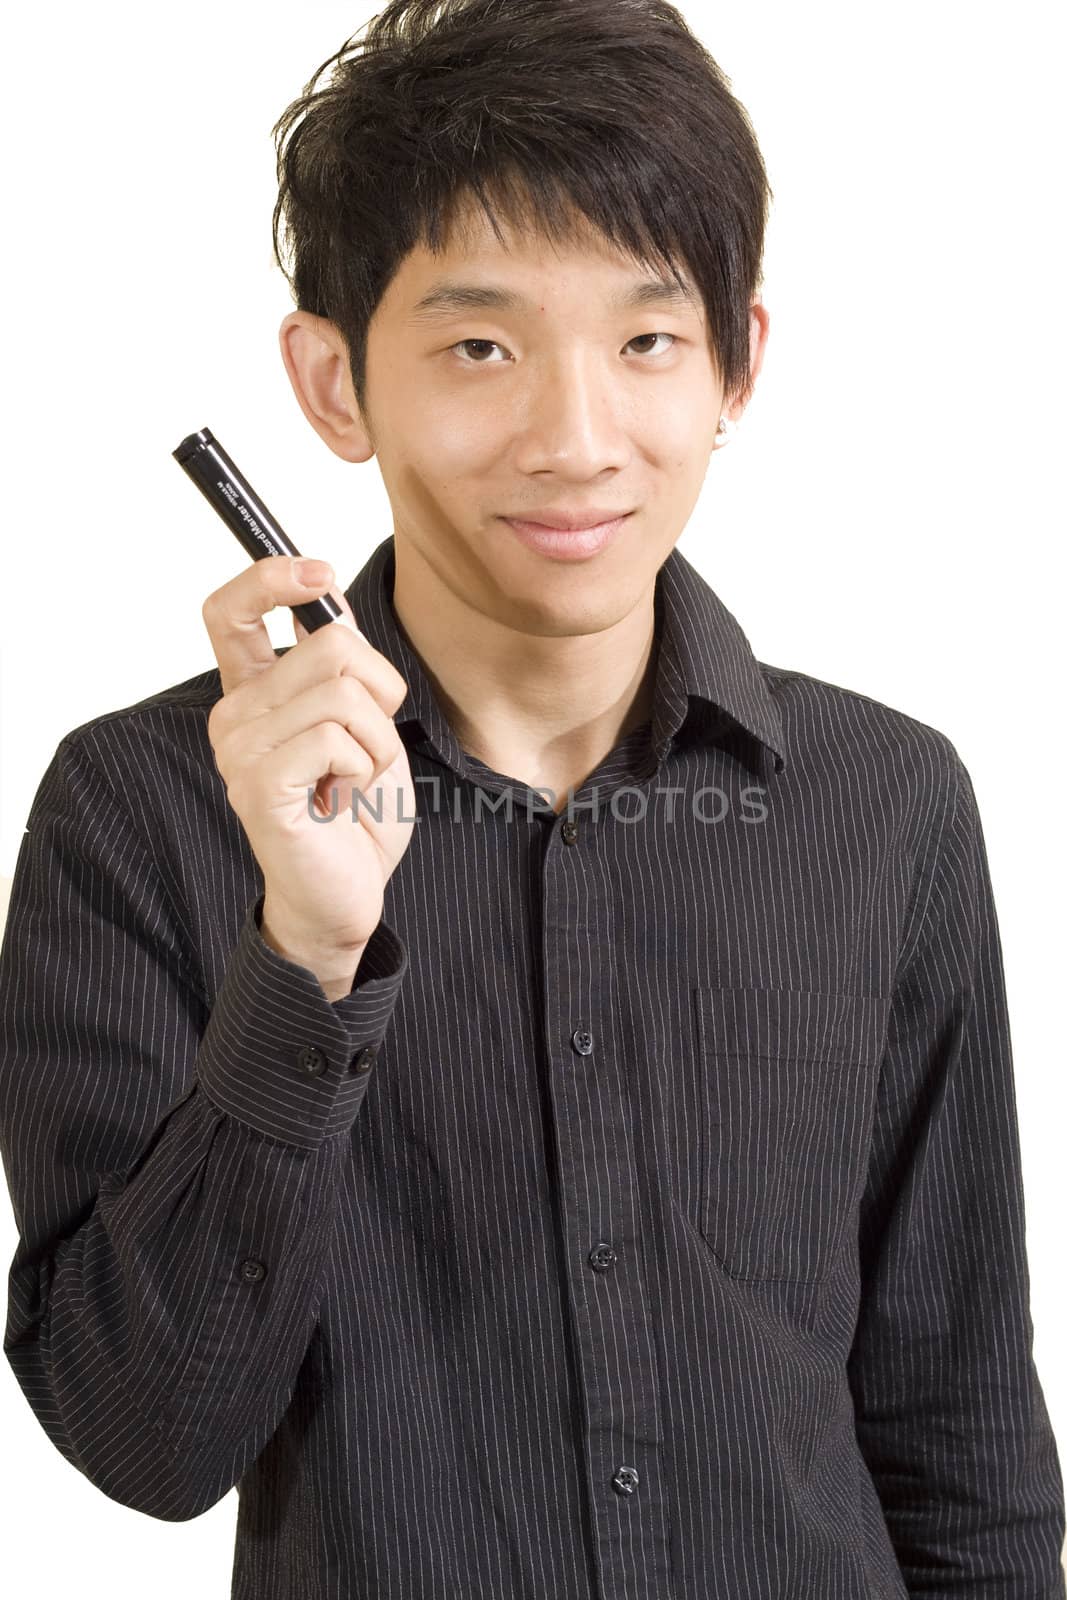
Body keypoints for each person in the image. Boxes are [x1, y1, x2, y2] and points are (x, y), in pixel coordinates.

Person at [1, 0, 1064, 1595]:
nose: (576, 441)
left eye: (645, 341)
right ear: (333, 379)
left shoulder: (887, 803)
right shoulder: (142, 807)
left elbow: (962, 1435)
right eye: (480, 346)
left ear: (736, 364)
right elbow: (148, 1442)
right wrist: (306, 956)